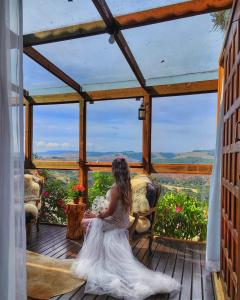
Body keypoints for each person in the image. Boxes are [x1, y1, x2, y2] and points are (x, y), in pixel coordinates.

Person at [72, 157, 180, 299]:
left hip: (115, 222)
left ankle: (96, 259)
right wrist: (100, 213)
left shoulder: (116, 189)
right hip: (123, 221)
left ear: (114, 170)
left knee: (87, 222)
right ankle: (100, 257)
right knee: (92, 221)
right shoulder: (127, 186)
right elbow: (120, 208)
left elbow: (109, 213)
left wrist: (95, 214)